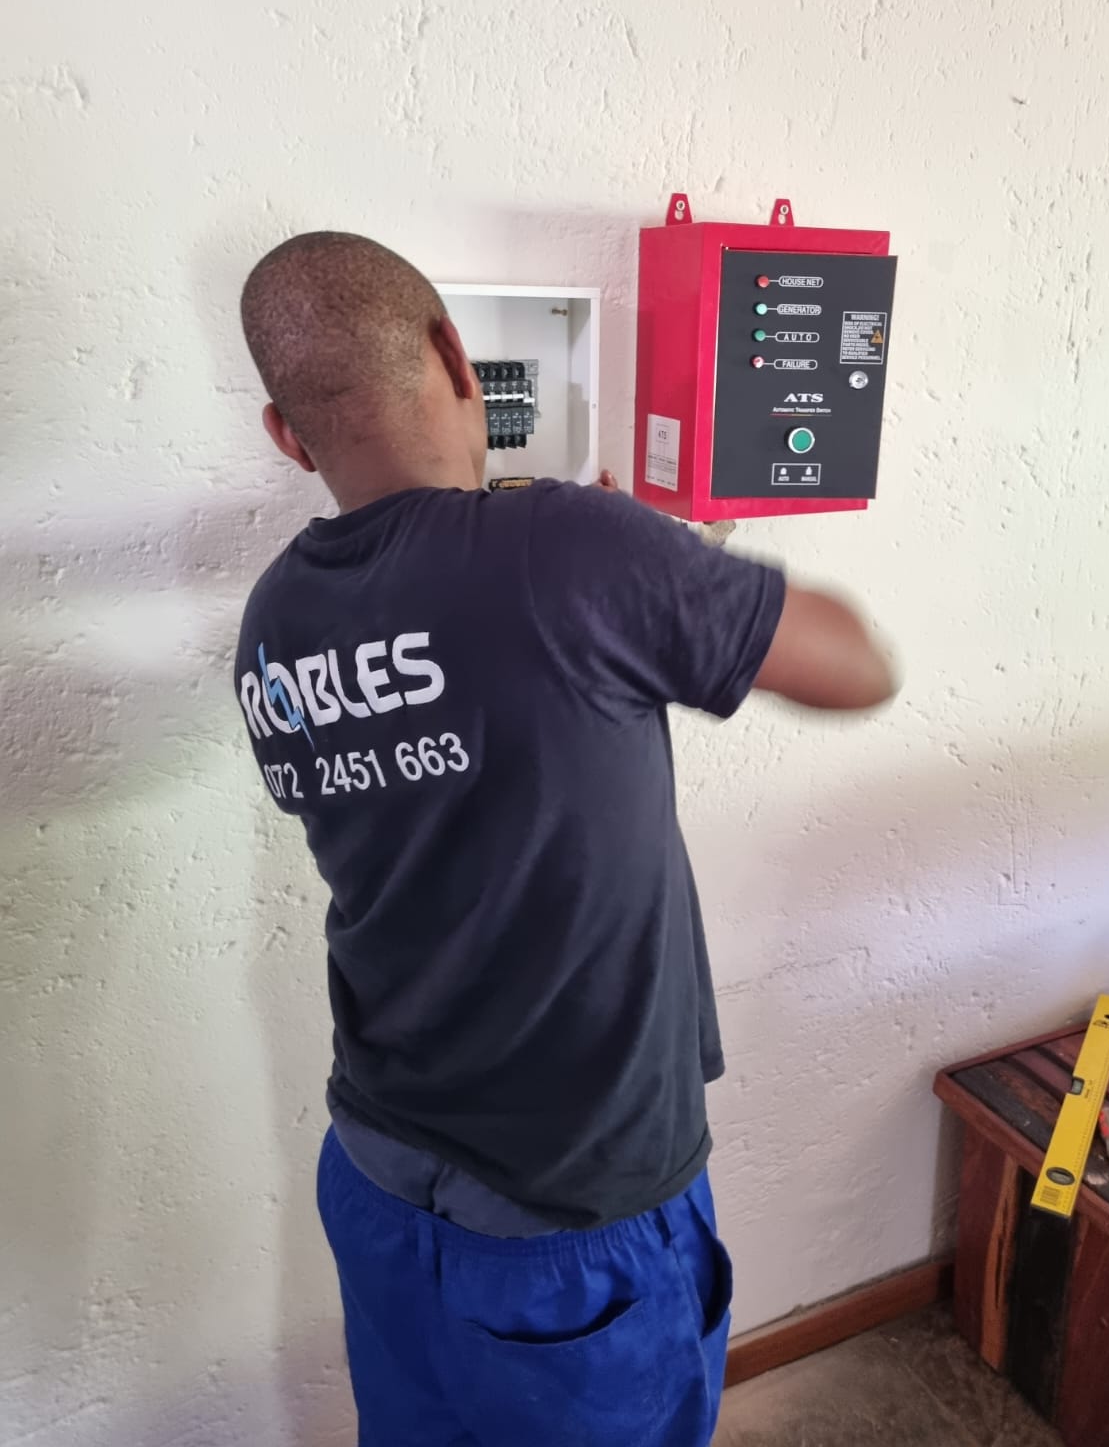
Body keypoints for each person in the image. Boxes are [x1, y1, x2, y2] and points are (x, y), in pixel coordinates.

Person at [233, 230, 895, 1447]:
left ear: (287, 434)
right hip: (570, 1213)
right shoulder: (566, 548)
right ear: (455, 355)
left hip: (378, 1170)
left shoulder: (273, 620)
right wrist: (660, 560)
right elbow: (858, 666)